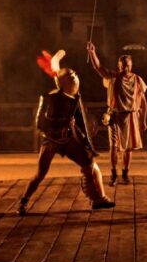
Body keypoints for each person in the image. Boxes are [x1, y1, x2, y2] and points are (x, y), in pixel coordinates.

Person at [19, 52, 115, 215]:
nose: (75, 76)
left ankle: (98, 198)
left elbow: (81, 122)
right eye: (71, 75)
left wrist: (87, 144)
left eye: (74, 74)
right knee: (40, 174)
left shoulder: (74, 99)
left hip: (68, 138)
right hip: (51, 141)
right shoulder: (49, 98)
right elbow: (40, 124)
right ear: (62, 81)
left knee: (90, 165)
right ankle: (23, 201)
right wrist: (61, 124)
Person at [87, 41, 147, 185]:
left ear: (131, 65)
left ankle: (125, 173)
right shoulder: (112, 77)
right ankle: (113, 174)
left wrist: (144, 120)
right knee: (113, 146)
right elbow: (98, 67)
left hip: (131, 116)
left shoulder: (138, 79)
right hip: (114, 115)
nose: (125, 67)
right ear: (119, 65)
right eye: (122, 64)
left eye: (127, 64)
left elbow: (144, 102)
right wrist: (92, 52)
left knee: (128, 148)